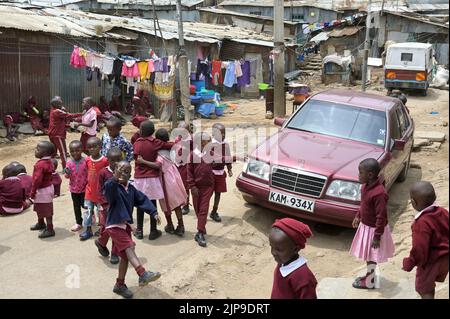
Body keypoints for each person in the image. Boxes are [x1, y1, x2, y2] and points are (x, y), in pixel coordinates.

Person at [101, 161, 161, 299]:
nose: (123, 173)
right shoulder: (113, 187)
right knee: (129, 247)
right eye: (120, 170)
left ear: (130, 175)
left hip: (124, 226)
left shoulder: (131, 189)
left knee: (125, 257)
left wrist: (153, 212)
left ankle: (119, 285)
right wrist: (114, 178)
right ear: (114, 170)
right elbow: (108, 188)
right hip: (114, 225)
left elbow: (142, 200)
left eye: (127, 171)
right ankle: (142, 273)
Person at [349, 158, 395, 289]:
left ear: (369, 175)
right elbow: (363, 204)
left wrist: (377, 236)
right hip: (366, 226)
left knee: (371, 257)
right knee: (369, 255)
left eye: (360, 172)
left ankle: (370, 281)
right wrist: (358, 216)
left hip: (374, 230)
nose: (358, 175)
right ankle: (370, 276)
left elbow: (381, 216)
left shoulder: (379, 193)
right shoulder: (365, 187)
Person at [402, 181, 449, 299]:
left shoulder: (421, 223)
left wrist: (410, 262)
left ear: (413, 202)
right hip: (446, 257)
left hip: (431, 261)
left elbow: (419, 249)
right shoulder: (443, 212)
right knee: (429, 285)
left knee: (423, 288)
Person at [133, 120, 174, 240]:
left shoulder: (136, 143)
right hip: (152, 178)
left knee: (140, 204)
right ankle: (153, 230)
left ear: (140, 131)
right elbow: (168, 145)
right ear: (152, 132)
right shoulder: (154, 142)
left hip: (139, 178)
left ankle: (139, 230)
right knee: (152, 204)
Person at [269, 218, 317, 299]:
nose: (273, 252)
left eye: (279, 250)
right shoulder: (283, 262)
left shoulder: (303, 278)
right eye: (271, 247)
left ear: (296, 249)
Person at [155, 128, 186, 236]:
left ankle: (170, 225)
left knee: (165, 203)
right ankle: (181, 225)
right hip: (175, 177)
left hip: (164, 180)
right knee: (176, 203)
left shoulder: (157, 153)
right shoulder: (173, 148)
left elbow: (158, 165)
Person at [95, 147, 123, 265]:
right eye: (113, 160)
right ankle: (101, 242)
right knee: (107, 228)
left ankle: (115, 253)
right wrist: (105, 205)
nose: (116, 163)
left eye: (118, 160)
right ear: (108, 161)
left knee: (117, 229)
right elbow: (99, 191)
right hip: (106, 207)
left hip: (119, 206)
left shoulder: (123, 172)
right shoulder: (103, 173)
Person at [187, 132, 214, 247]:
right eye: (208, 141)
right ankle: (201, 225)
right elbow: (189, 173)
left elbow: (221, 159)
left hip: (208, 187)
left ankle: (200, 233)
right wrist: (192, 186)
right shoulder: (192, 156)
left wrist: (233, 158)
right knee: (198, 210)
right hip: (196, 188)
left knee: (203, 209)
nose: (211, 143)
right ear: (201, 143)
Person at [81, 137, 109, 241]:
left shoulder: (105, 160)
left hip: (101, 192)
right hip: (89, 191)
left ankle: (102, 229)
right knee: (88, 211)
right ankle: (88, 229)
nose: (92, 149)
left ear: (100, 147)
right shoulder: (87, 159)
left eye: (94, 146)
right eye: (89, 147)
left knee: (101, 212)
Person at [30, 141, 56, 238]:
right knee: (40, 207)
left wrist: (32, 192)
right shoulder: (49, 162)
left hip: (42, 190)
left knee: (46, 209)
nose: (35, 150)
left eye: (38, 149)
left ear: (45, 153)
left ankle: (50, 229)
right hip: (48, 188)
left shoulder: (40, 165)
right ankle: (41, 223)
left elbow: (37, 180)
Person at [210, 123, 234, 223]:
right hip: (211, 173)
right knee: (208, 193)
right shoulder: (210, 145)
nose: (223, 136)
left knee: (218, 193)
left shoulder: (226, 145)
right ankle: (201, 210)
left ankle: (214, 212)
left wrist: (229, 169)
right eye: (221, 134)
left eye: (224, 134)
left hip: (220, 173)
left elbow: (228, 158)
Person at [48, 96, 80, 169]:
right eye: (60, 104)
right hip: (57, 134)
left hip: (52, 134)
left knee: (53, 153)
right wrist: (82, 114)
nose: (62, 105)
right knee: (63, 152)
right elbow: (69, 115)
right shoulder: (57, 111)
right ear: (56, 105)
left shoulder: (53, 110)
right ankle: (65, 168)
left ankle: (50, 168)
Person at [64, 140, 88, 232]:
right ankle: (78, 223)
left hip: (85, 188)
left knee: (85, 205)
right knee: (76, 207)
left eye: (77, 150)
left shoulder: (86, 161)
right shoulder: (69, 163)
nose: (75, 153)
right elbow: (66, 176)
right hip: (74, 189)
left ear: (81, 150)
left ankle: (91, 215)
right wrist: (67, 173)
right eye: (72, 151)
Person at [173, 121, 193, 215]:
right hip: (178, 164)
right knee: (178, 185)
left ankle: (186, 205)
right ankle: (181, 202)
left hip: (186, 165)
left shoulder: (191, 140)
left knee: (186, 186)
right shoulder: (177, 138)